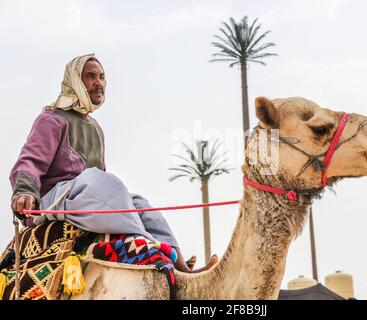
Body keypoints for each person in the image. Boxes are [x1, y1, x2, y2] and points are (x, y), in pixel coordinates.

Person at [9, 53, 217, 273]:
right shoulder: (52, 119)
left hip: (86, 196)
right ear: (75, 82)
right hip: (54, 200)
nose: (99, 83)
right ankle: (152, 248)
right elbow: (30, 160)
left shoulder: (95, 128)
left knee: (140, 203)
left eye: (101, 77)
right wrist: (25, 191)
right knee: (102, 181)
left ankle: (182, 267)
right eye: (90, 77)